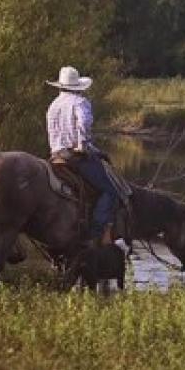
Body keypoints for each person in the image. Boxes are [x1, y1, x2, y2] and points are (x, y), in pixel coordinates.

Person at [45, 66, 125, 241]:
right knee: (111, 191)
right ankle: (96, 232)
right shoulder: (80, 103)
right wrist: (83, 146)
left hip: (56, 155)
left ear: (60, 86)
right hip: (74, 157)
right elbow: (83, 126)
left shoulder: (53, 105)